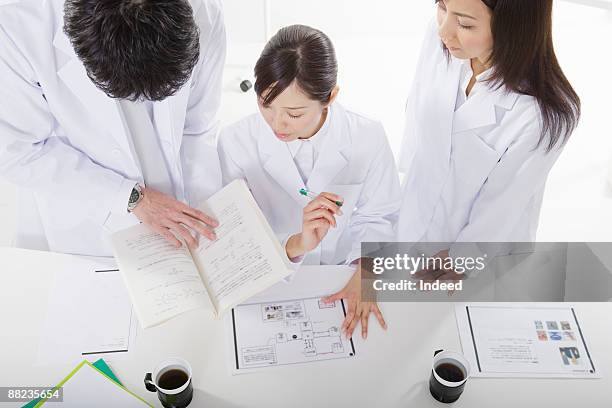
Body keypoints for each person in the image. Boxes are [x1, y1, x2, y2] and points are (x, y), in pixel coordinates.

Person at [0, 0, 226, 256]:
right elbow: (17, 151)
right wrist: (128, 198)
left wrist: (203, 217)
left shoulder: (204, 11)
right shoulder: (20, 28)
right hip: (87, 222)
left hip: (176, 224)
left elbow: (198, 127)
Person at [218, 25, 401, 339]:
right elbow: (236, 237)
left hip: (343, 274)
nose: (277, 124)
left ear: (329, 97)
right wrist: (296, 244)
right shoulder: (236, 142)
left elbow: (380, 215)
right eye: (266, 105)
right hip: (270, 275)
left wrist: (366, 270)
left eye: (294, 113)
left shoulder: (366, 137)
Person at [397, 0, 580, 280]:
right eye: (442, 6)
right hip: (412, 230)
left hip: (482, 260)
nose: (443, 31)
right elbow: (416, 128)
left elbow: (502, 206)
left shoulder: (543, 114)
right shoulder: (442, 43)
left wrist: (462, 260)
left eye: (465, 24)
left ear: (512, 27)